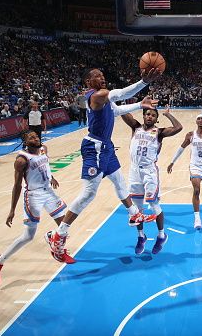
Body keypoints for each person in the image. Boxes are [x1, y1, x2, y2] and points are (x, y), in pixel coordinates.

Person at [45, 68, 159, 262]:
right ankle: (59, 234)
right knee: (89, 193)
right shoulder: (97, 96)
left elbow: (116, 110)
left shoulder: (104, 99)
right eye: (97, 76)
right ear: (89, 81)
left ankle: (134, 214)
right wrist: (143, 82)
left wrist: (140, 104)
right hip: (94, 147)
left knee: (119, 181)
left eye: (103, 74)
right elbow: (121, 93)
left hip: (106, 146)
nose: (102, 77)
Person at [0, 131, 73, 286]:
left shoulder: (43, 149)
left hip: (48, 192)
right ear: (25, 142)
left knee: (64, 225)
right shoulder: (21, 160)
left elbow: (45, 164)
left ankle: (54, 244)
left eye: (36, 136)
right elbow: (17, 185)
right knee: (28, 236)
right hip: (33, 196)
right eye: (31, 138)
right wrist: (12, 209)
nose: (36, 138)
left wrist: (51, 177)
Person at [121, 105, 182, 255]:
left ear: (156, 119)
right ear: (143, 116)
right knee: (137, 209)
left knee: (154, 204)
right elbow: (122, 113)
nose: (150, 117)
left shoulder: (159, 132)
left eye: (153, 115)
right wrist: (121, 101)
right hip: (134, 170)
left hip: (149, 171)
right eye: (147, 114)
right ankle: (141, 237)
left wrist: (168, 114)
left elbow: (179, 127)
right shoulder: (135, 127)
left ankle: (161, 235)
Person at [167, 114, 202, 229]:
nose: (200, 120)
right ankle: (197, 219)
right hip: (194, 167)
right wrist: (172, 162)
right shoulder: (190, 135)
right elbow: (181, 149)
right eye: (199, 118)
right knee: (196, 189)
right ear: (196, 121)